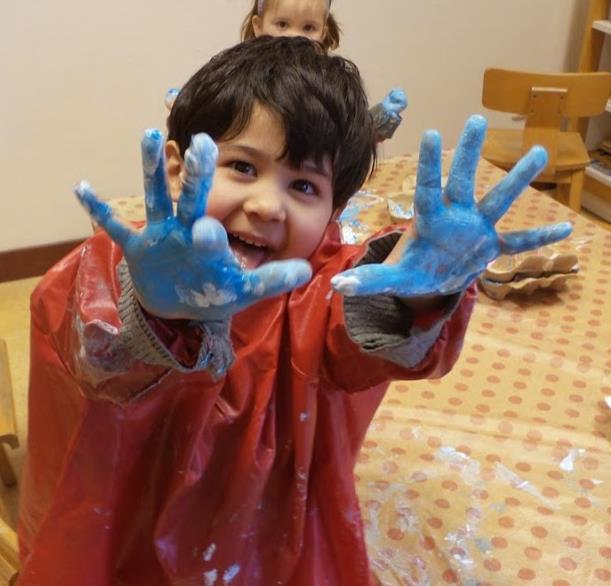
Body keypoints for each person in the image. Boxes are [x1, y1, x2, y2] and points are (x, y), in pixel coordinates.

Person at [18, 36, 571, 586]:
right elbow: (81, 349)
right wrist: (154, 312)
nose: (265, 205)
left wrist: (420, 292)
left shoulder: (320, 289)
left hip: (265, 539)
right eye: (240, 166)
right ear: (176, 167)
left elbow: (363, 337)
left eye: (303, 185)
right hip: (121, 532)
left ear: (337, 209)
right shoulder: (119, 264)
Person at [241, 0, 407, 142]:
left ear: (322, 33)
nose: (295, 37)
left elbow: (345, 139)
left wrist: (377, 123)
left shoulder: (328, 82)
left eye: (308, 28)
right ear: (258, 26)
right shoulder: (242, 77)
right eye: (282, 24)